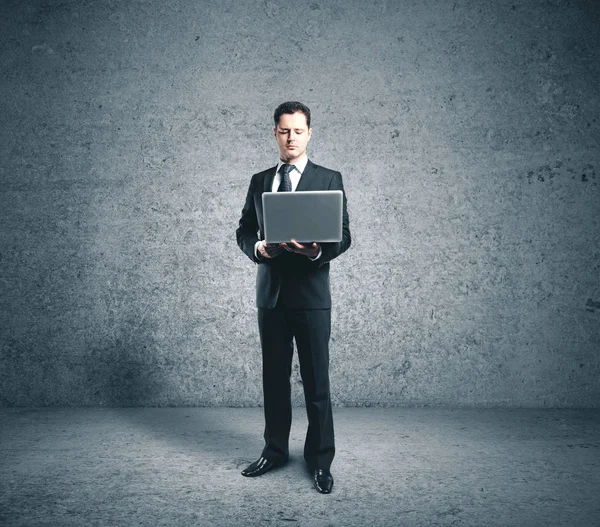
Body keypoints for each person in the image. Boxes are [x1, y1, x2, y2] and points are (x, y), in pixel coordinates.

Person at [236, 101, 351, 494]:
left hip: (312, 295)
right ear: (275, 133)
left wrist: (315, 251)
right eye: (284, 131)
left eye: (298, 131)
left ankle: (320, 461)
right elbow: (244, 230)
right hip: (271, 296)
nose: (291, 138)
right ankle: (275, 451)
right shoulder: (259, 180)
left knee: (317, 382)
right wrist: (257, 249)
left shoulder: (329, 177)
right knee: (274, 380)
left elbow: (345, 235)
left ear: (309, 133)